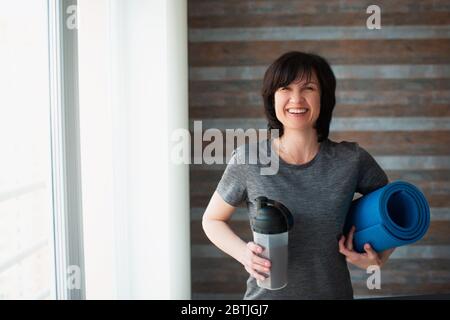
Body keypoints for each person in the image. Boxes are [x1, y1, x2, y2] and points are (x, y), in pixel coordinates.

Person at [201, 51, 395, 299]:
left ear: (323, 97)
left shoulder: (352, 160)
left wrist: (377, 259)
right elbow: (212, 220)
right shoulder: (249, 159)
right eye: (285, 88)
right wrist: (243, 254)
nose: (296, 99)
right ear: (272, 98)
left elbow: (394, 212)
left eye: (309, 88)